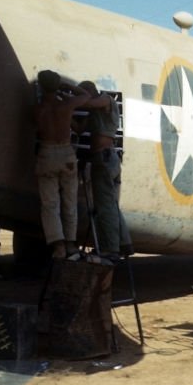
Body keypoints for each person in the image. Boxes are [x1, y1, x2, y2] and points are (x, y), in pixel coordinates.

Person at [34, 70, 91, 259]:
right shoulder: (66, 105)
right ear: (57, 86)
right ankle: (71, 244)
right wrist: (68, 87)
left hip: (46, 153)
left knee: (50, 204)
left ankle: (57, 245)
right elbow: (86, 96)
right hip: (66, 154)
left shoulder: (37, 109)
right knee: (69, 202)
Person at [78, 80, 131, 257]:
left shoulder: (106, 100)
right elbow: (79, 129)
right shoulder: (94, 110)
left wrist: (69, 96)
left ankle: (110, 249)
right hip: (104, 159)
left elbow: (88, 102)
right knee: (111, 205)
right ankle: (124, 243)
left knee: (105, 206)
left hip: (105, 159)